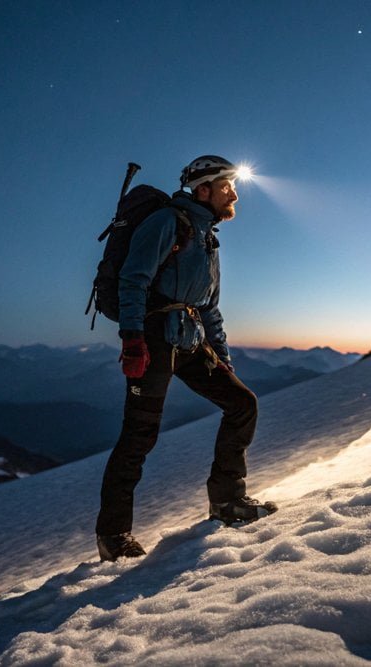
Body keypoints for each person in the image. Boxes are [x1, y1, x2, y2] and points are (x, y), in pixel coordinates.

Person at [95, 155, 276, 562]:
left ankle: (228, 502)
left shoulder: (208, 237)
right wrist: (133, 341)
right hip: (156, 341)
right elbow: (133, 279)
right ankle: (114, 536)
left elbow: (209, 307)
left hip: (191, 340)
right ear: (204, 189)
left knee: (242, 404)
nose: (234, 193)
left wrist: (223, 357)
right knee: (138, 437)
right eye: (227, 186)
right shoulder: (168, 223)